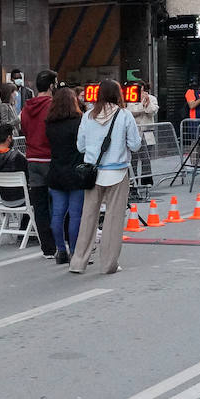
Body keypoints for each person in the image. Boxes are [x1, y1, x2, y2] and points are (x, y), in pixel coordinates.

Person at [69, 80, 142, 275]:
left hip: (93, 173)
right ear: (118, 94)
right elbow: (135, 145)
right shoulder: (125, 116)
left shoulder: (87, 116)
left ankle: (78, 261)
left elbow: (80, 147)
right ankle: (109, 264)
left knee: (88, 217)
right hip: (117, 172)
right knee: (113, 218)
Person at [19, 70, 58, 258]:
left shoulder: (27, 107)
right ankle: (61, 241)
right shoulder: (52, 105)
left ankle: (47, 249)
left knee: (40, 206)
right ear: (51, 86)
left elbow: (24, 129)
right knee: (58, 203)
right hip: (49, 158)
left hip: (32, 159)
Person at [45, 87, 86, 264]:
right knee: (75, 215)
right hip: (76, 172)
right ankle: (75, 251)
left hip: (56, 172)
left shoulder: (50, 123)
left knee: (57, 214)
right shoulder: (79, 121)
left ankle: (60, 250)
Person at [0, 122, 30, 233]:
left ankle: (25, 229)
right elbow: (28, 175)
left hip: (3, 198)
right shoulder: (15, 156)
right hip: (21, 199)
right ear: (9, 138)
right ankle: (29, 229)